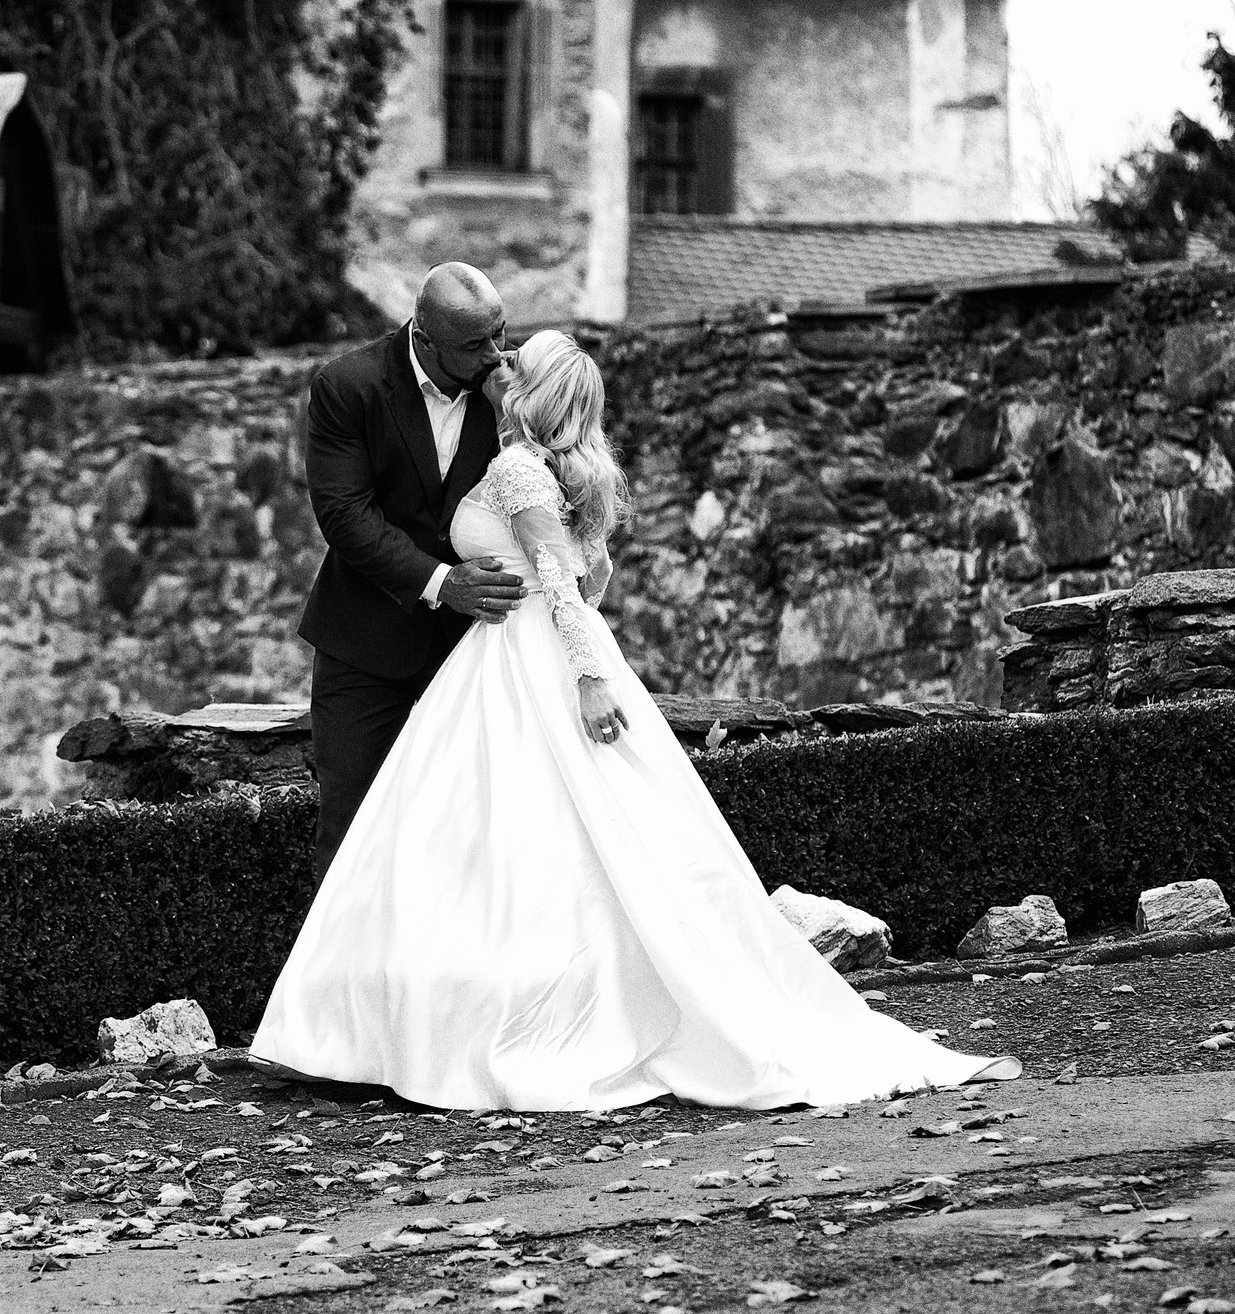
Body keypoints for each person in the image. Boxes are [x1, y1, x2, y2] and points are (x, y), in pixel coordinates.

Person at [254, 328, 1018, 1111]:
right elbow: (595, 579)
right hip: (512, 651)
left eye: (517, 360)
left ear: (536, 389)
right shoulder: (558, 466)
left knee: (515, 837)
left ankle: (474, 1021)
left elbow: (562, 583)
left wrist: (588, 678)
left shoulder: (517, 468)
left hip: (527, 656)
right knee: (523, 837)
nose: (502, 362)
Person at [295, 263, 527, 881]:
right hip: (366, 644)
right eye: (474, 344)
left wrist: (515, 417)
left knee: (476, 835)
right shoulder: (349, 386)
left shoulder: (513, 387)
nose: (495, 354)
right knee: (353, 833)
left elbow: (557, 481)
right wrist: (443, 583)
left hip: (478, 651)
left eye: (500, 333)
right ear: (423, 338)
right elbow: (345, 516)